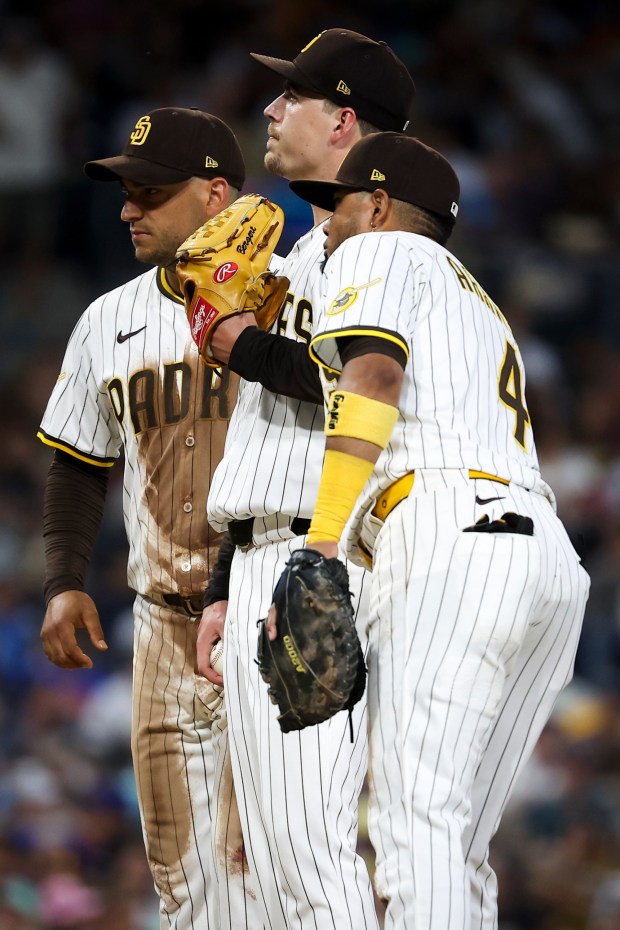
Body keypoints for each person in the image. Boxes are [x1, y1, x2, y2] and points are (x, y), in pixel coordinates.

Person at [277, 131, 591, 930]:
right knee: (456, 845)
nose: (329, 228)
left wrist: (320, 541)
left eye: (341, 207)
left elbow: (372, 378)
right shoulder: (476, 300)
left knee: (416, 832)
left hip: (449, 537)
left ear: (379, 205)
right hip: (544, 561)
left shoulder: (378, 251)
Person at [199, 28, 416, 930]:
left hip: (320, 558)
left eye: (292, 96)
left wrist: (239, 343)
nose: (270, 110)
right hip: (263, 550)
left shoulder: (388, 250)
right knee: (279, 857)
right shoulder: (302, 253)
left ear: (345, 122)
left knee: (309, 844)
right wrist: (220, 580)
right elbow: (263, 435)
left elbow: (360, 387)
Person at [37, 107, 262, 930]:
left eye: (150, 193)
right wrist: (64, 581)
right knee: (184, 887)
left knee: (284, 865)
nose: (129, 209)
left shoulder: (292, 293)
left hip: (275, 609)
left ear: (215, 194)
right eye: (126, 192)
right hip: (164, 627)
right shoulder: (107, 319)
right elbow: (78, 462)